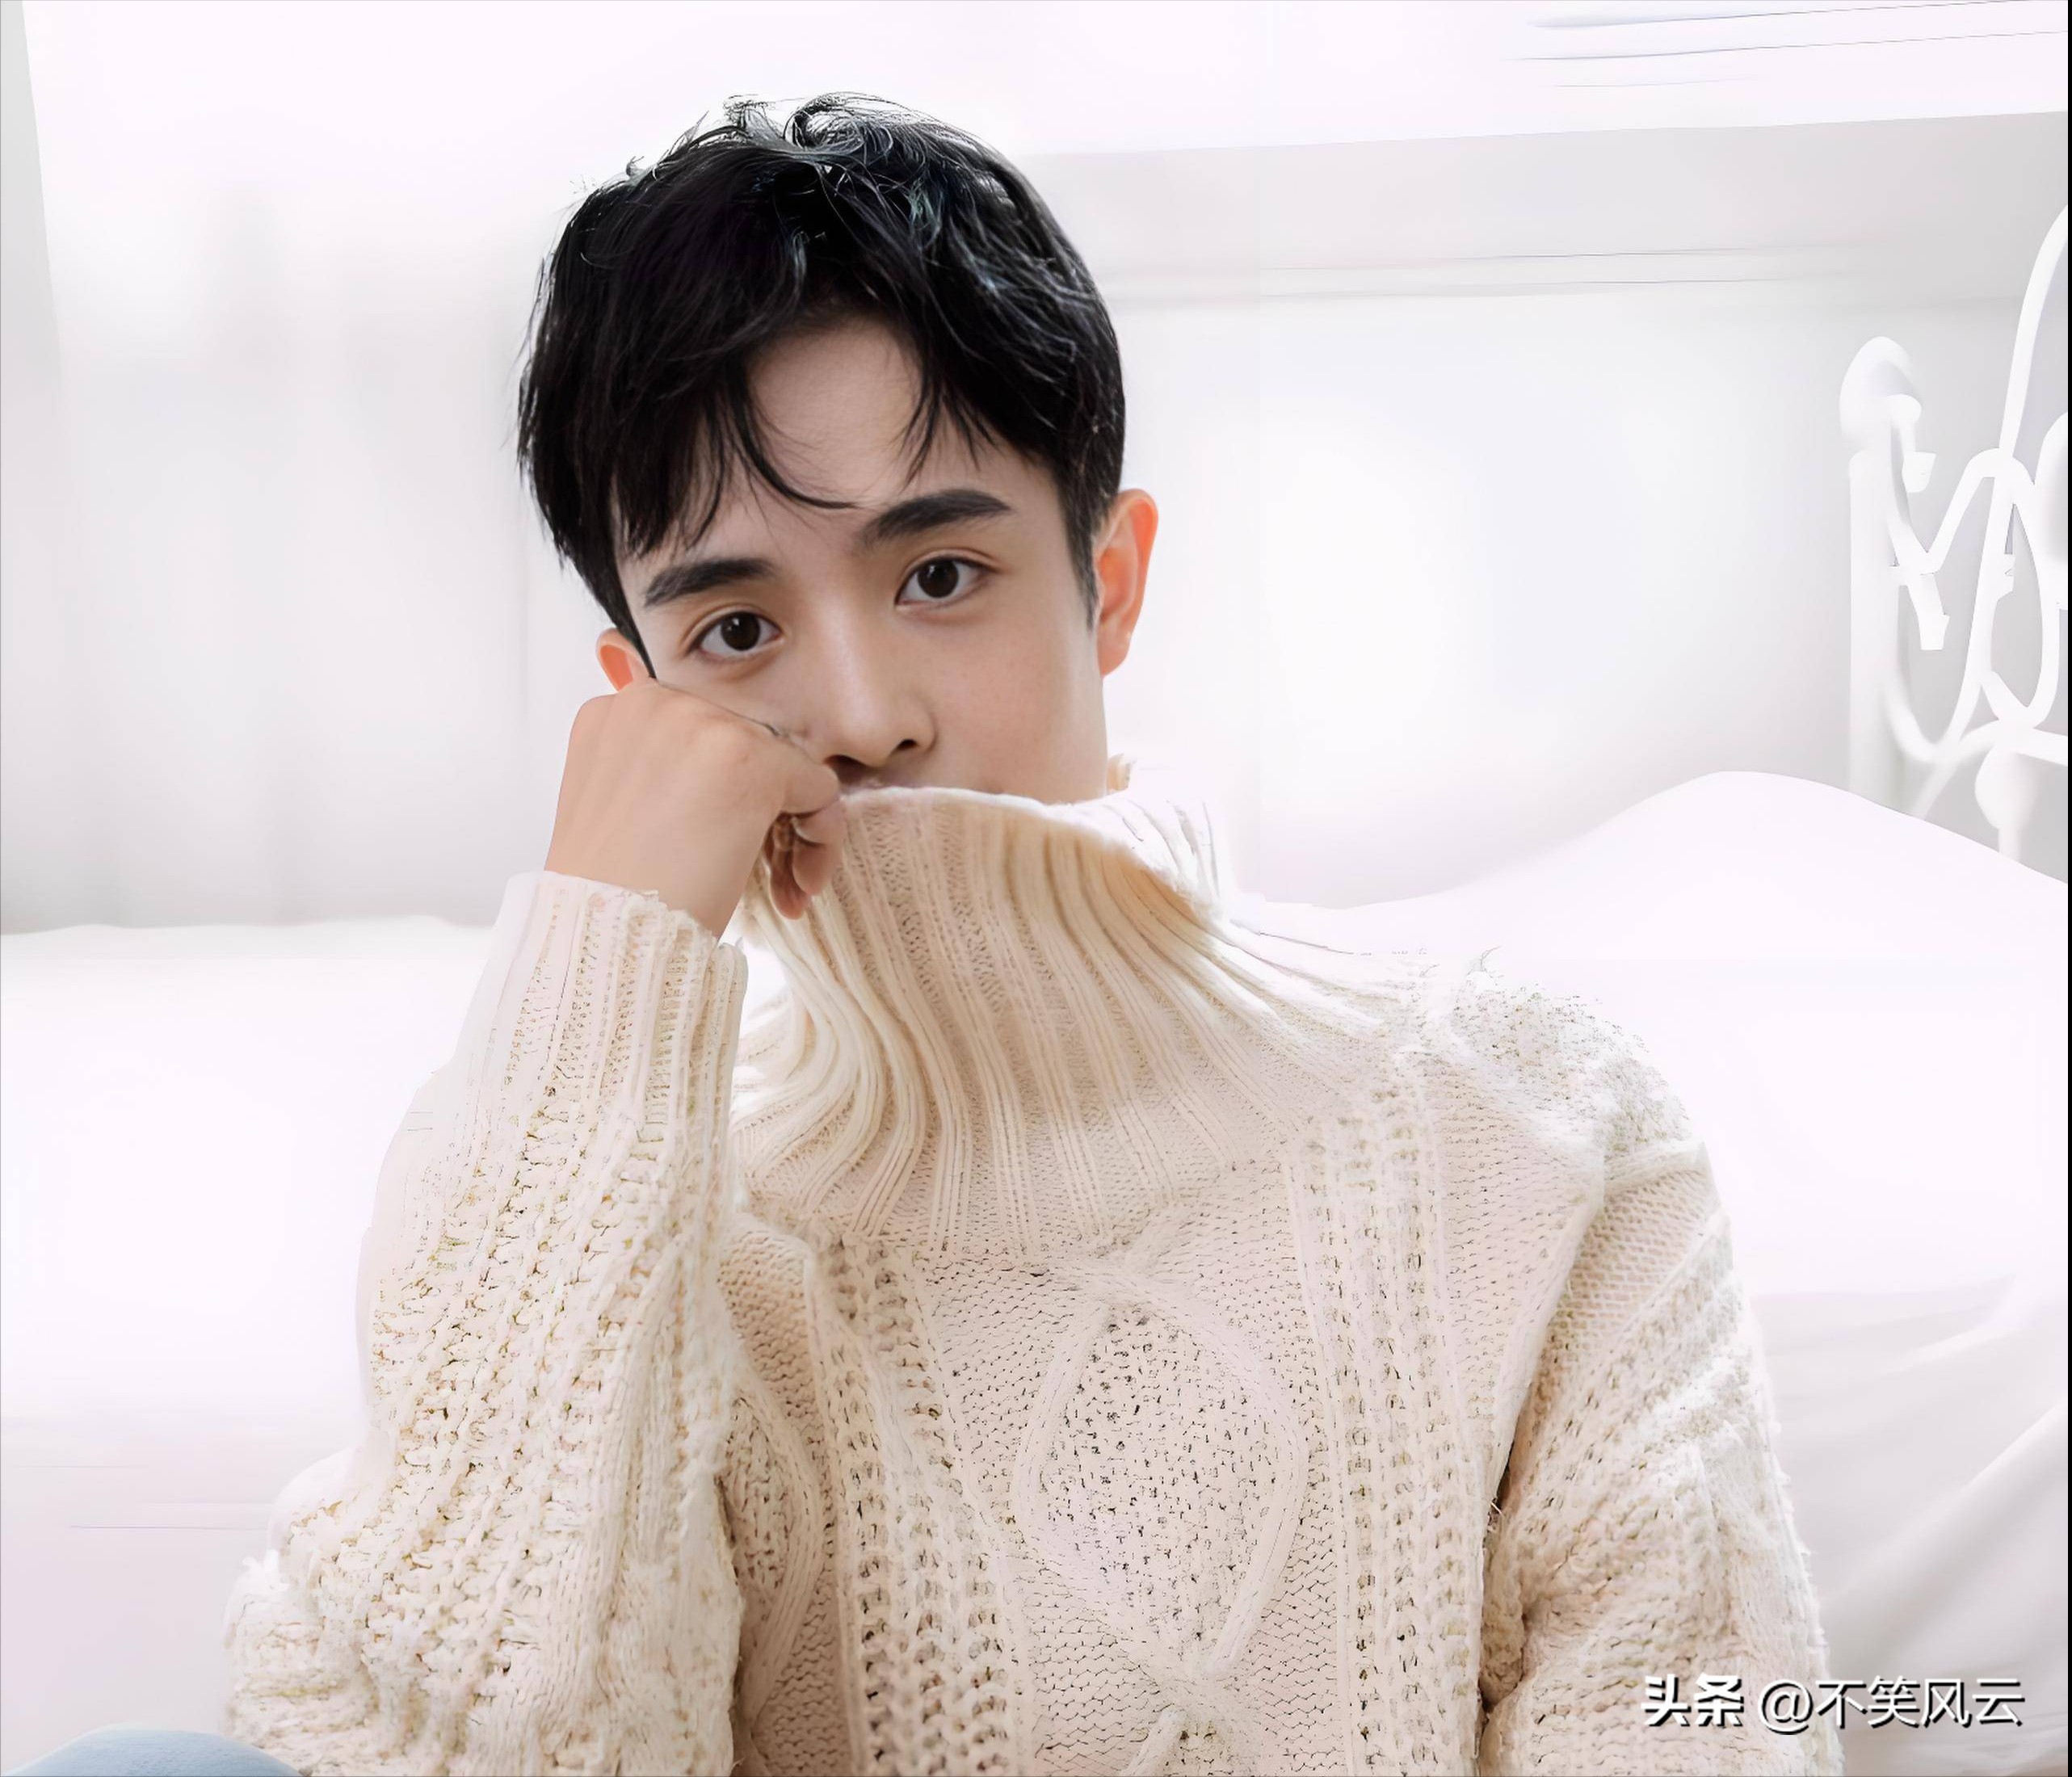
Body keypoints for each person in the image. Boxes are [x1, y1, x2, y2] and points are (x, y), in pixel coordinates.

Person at [17, 93, 1843, 1777]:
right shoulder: (615, 1187)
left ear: (1107, 584)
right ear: (635, 699)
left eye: (940, 575)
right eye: (737, 631)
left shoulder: (1530, 1118)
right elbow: (442, 1747)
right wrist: (599, 958)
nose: (863, 712)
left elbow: (1701, 1720)